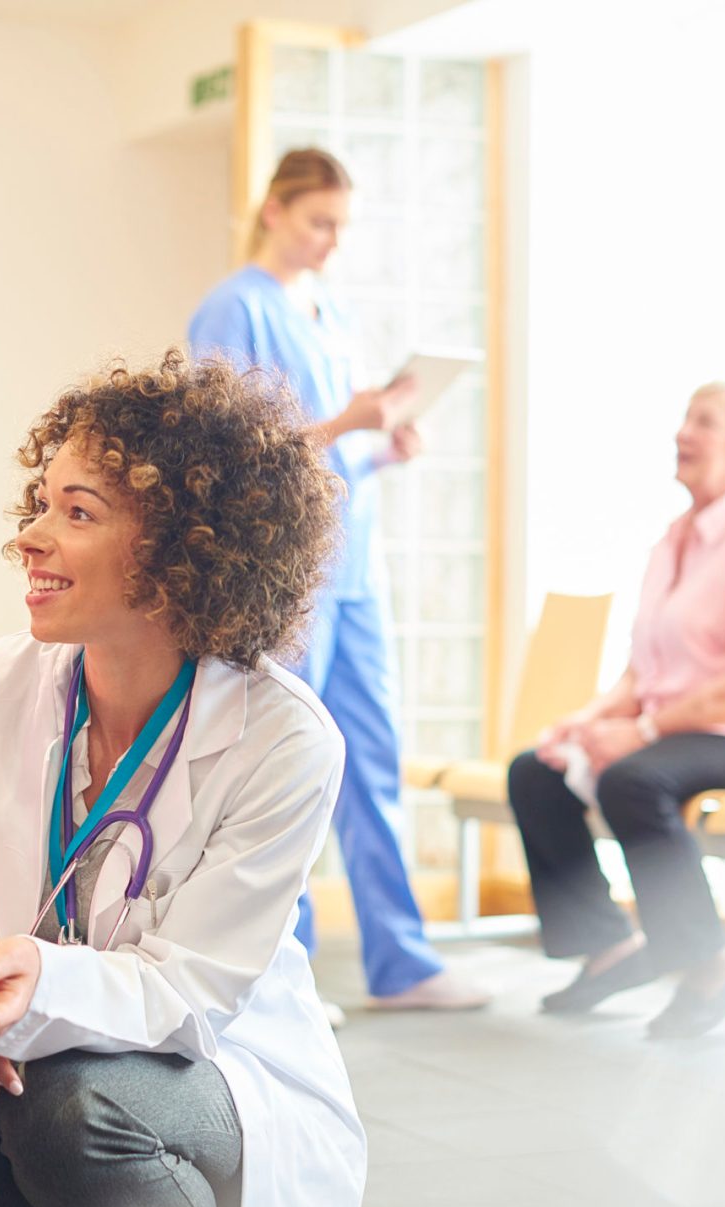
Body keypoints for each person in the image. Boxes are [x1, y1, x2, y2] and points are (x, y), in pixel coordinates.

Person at [0, 352, 367, 1207]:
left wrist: (36, 985)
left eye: (78, 512)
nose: (31, 536)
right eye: (41, 502)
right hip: (40, 1050)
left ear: (185, 551)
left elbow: (191, 989)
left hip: (219, 1066)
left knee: (73, 1110)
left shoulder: (285, 739)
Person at [188, 146, 487, 1017]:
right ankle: (282, 971)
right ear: (275, 210)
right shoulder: (233, 308)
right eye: (319, 222)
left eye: (341, 228)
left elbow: (327, 456)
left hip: (355, 571)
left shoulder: (331, 312)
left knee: (370, 757)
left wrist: (377, 444)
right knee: (287, 761)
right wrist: (344, 420)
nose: (329, 242)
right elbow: (228, 453)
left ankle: (402, 957)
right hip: (292, 578)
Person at [507, 384, 725, 1038]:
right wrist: (587, 721)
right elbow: (644, 671)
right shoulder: (674, 541)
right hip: (703, 727)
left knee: (633, 777)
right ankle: (609, 945)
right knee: (538, 769)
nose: (683, 432)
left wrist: (638, 733)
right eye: (685, 418)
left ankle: (714, 964)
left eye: (706, 422)